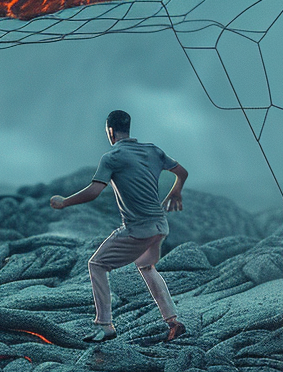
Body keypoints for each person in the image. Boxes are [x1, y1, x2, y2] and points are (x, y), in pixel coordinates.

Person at [50, 110, 188, 343]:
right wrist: (176, 191)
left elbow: (94, 191)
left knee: (96, 264)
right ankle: (173, 321)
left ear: (110, 132)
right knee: (147, 267)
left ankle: (105, 325)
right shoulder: (153, 150)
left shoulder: (112, 157)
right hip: (160, 226)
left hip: (138, 230)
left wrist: (65, 202)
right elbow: (181, 173)